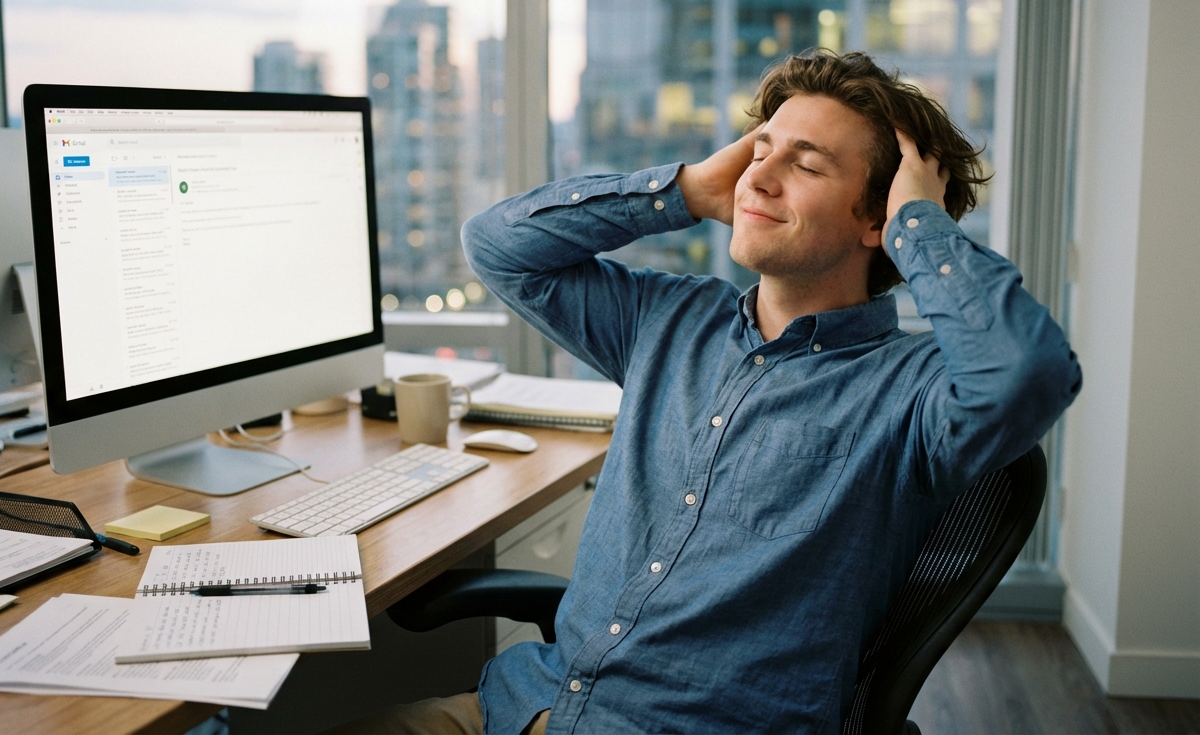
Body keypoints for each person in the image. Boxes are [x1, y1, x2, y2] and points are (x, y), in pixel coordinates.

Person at [333, 50, 1081, 734]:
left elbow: (1029, 372)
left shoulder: (911, 393)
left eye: (807, 164)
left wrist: (916, 223)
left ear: (873, 219)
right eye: (762, 149)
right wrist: (686, 190)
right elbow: (497, 247)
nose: (760, 175)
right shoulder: (671, 320)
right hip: (528, 703)